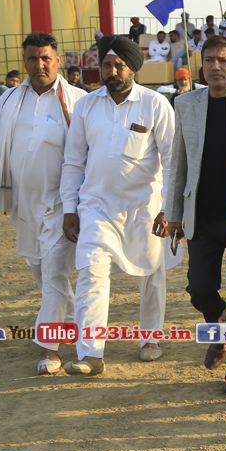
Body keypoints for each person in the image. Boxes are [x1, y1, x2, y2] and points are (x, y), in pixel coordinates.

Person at [157, 36, 226, 395]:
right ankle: (222, 326)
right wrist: (174, 213)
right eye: (209, 60)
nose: (215, 66)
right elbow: (179, 161)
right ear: (201, 66)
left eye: (223, 60)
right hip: (201, 215)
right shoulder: (185, 103)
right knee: (199, 287)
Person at [60, 35, 175, 375]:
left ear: (133, 68)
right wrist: (70, 207)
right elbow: (73, 161)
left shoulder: (155, 104)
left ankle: (150, 337)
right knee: (91, 275)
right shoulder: (86, 105)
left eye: (119, 65)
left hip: (145, 208)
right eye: (107, 65)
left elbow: (172, 162)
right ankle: (91, 354)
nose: (112, 71)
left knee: (151, 275)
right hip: (96, 206)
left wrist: (169, 208)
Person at [0, 32, 88, 375]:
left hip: (63, 205)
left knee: (53, 273)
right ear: (24, 61)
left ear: (58, 61)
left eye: (45, 58)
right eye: (32, 58)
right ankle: (73, 324)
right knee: (42, 272)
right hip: (23, 204)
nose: (39, 65)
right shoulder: (10, 99)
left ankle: (49, 349)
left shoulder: (79, 100)